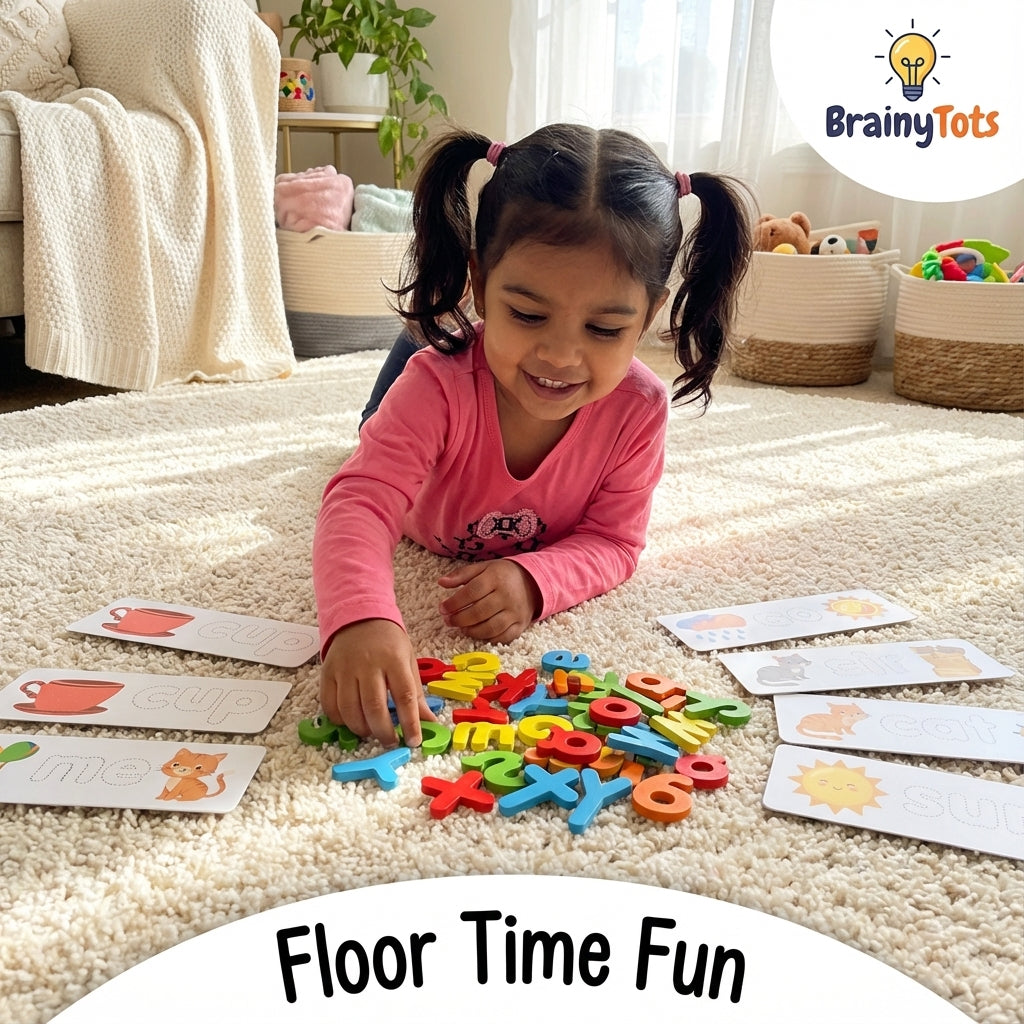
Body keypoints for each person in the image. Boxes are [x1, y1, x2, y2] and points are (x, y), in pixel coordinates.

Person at [313, 123, 753, 749]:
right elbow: (358, 500)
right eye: (527, 313)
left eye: (604, 328)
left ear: (648, 316)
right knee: (401, 386)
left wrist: (534, 579)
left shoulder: (638, 408)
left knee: (468, 356)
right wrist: (358, 619)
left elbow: (614, 542)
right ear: (481, 279)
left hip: (473, 377)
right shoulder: (436, 388)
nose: (560, 356)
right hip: (433, 391)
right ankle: (438, 331)